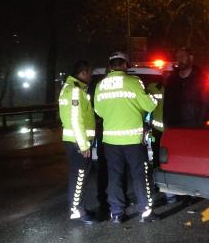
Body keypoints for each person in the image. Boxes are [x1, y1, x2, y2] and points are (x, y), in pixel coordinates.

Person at [94, 52, 159, 223]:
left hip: (110, 141)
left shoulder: (100, 85)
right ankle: (145, 212)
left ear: (110, 65)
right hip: (133, 140)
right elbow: (149, 105)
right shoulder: (133, 82)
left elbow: (98, 111)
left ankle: (116, 213)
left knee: (114, 177)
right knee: (139, 175)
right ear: (125, 65)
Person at [58, 60, 96, 224]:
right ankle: (77, 211)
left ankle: (78, 208)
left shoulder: (71, 88)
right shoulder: (75, 91)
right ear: (83, 72)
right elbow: (75, 120)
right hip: (77, 142)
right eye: (90, 73)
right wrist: (84, 144)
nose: (91, 76)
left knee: (79, 176)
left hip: (74, 141)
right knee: (79, 177)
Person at [163, 47, 209, 128]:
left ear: (191, 58)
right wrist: (166, 121)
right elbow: (167, 102)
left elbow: (206, 104)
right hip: (174, 126)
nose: (180, 60)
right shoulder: (172, 80)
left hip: (193, 126)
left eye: (182, 56)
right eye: (177, 57)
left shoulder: (200, 79)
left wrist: (200, 124)